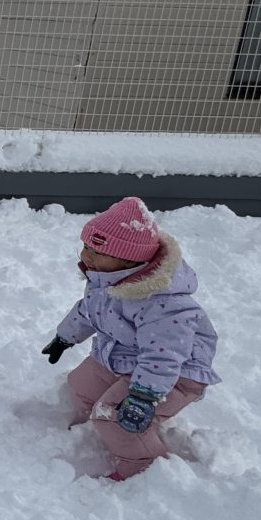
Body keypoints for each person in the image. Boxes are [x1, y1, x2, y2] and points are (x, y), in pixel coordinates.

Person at [41, 195, 220, 481]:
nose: (86, 256)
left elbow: (163, 355)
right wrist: (65, 337)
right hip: (126, 356)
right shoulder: (105, 277)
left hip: (174, 374)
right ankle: (96, 433)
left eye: (97, 251)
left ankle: (143, 469)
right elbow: (89, 310)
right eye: (86, 247)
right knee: (80, 385)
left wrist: (143, 396)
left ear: (128, 258)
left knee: (115, 416)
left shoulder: (162, 303)